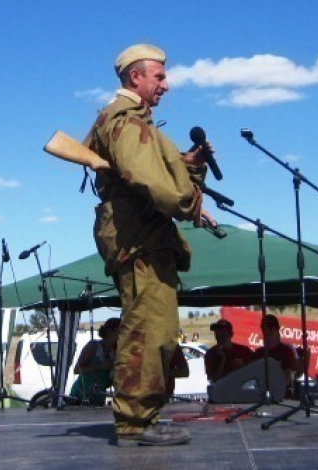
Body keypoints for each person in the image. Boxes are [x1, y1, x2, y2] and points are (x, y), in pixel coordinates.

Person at [86, 43, 212, 447]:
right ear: (134, 77)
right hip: (138, 238)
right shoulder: (124, 119)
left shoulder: (135, 122)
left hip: (144, 236)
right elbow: (149, 179)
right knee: (147, 329)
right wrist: (187, 198)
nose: (166, 85)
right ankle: (135, 423)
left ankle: (141, 419)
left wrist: (187, 164)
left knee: (155, 327)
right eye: (158, 77)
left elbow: (152, 168)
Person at [69, 317, 120, 406]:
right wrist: (99, 366)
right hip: (80, 397)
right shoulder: (92, 346)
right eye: (120, 330)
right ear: (109, 331)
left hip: (99, 398)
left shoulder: (117, 350)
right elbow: (77, 370)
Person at [252, 314, 301, 398]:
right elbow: (254, 376)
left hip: (282, 396)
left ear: (276, 329)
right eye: (264, 328)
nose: (268, 331)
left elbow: (287, 378)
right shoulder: (259, 353)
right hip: (262, 395)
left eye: (271, 327)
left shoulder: (286, 350)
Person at [204, 318, 254, 383]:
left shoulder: (244, 351)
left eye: (223, 332)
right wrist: (222, 359)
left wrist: (243, 367)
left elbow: (255, 372)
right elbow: (214, 379)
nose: (219, 335)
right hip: (221, 391)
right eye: (217, 332)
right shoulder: (210, 354)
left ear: (231, 334)